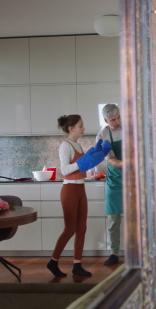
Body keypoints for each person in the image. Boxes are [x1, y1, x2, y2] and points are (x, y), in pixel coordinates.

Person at [47, 114, 111, 277]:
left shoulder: (77, 145)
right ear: (71, 128)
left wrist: (91, 157)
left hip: (80, 189)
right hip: (69, 190)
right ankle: (53, 261)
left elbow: (80, 168)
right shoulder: (65, 146)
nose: (84, 128)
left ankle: (77, 264)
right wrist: (81, 162)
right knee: (70, 229)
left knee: (82, 228)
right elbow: (65, 170)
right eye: (81, 126)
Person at [95, 104, 123, 266]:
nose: (118, 121)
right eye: (113, 120)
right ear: (106, 120)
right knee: (114, 218)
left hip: (134, 179)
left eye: (119, 117)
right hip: (115, 179)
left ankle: (141, 251)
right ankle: (114, 252)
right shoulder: (102, 136)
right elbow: (111, 160)